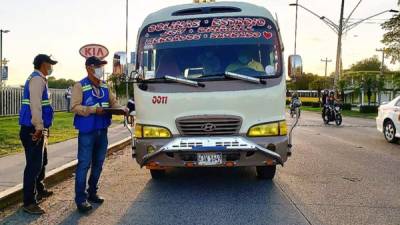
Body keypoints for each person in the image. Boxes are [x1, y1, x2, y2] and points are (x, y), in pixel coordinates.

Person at [71, 56, 122, 213]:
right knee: (84, 164)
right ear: (89, 68)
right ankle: (80, 199)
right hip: (87, 132)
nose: (101, 69)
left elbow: (114, 103)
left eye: (102, 66)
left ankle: (92, 192)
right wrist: (93, 110)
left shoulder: (105, 86)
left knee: (98, 163)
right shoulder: (80, 86)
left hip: (102, 131)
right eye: (98, 66)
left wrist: (123, 109)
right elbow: (74, 107)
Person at [19, 54, 58, 214]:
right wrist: (39, 127)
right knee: (33, 166)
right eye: (50, 64)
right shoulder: (36, 80)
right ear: (43, 64)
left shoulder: (40, 79)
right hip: (33, 129)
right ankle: (29, 202)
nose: (51, 67)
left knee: (42, 162)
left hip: (37, 128)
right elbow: (36, 106)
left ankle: (40, 188)